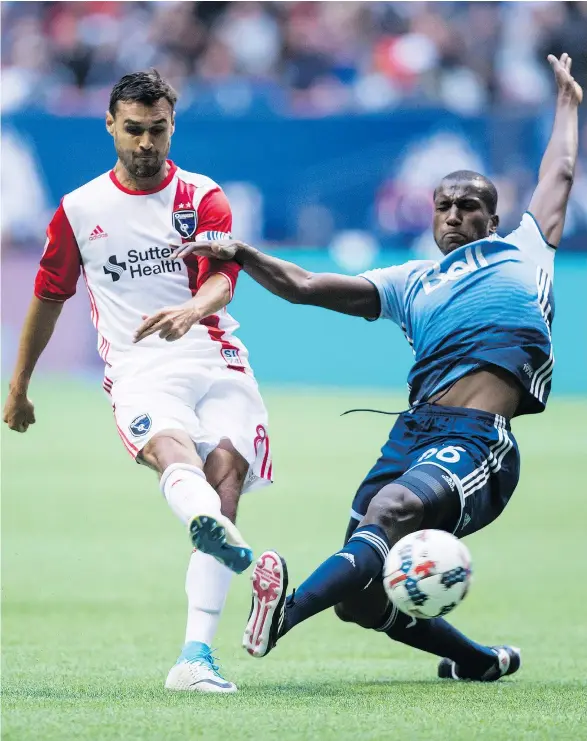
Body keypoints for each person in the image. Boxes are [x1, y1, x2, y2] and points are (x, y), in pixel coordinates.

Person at [173, 54, 582, 682]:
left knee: (389, 511)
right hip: (413, 435)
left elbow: (557, 170)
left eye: (468, 205)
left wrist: (567, 104)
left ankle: (281, 615)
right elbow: (307, 284)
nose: (453, 215)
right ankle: (478, 662)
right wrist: (244, 253)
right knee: (362, 601)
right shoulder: (409, 282)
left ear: (492, 218)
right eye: (443, 205)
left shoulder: (525, 249)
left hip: (478, 442)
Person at [2, 70, 273, 694]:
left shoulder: (203, 198)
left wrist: (192, 310)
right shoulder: (80, 209)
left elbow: (221, 279)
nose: (146, 144)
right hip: (139, 367)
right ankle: (204, 524)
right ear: (110, 126)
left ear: (172, 126)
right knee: (175, 451)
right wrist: (18, 386)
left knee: (227, 471)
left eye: (157, 130)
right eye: (134, 131)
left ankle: (194, 658)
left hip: (217, 356)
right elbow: (48, 297)